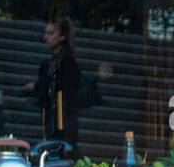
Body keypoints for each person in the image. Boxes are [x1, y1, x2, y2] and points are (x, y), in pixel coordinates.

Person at [22, 18, 109, 153]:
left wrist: (38, 87)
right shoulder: (54, 63)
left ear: (62, 36)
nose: (46, 37)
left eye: (51, 33)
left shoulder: (66, 63)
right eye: (46, 33)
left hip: (63, 122)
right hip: (55, 120)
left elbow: (67, 91)